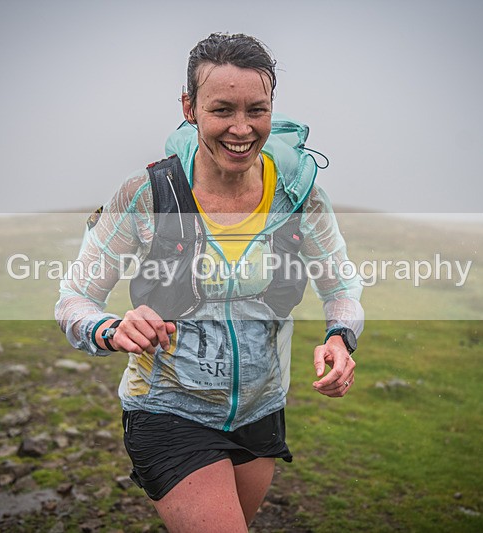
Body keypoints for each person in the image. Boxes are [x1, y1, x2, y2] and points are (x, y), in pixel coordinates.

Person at [55, 32, 364, 532]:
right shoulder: (147, 194)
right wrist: (110, 329)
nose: (241, 128)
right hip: (167, 411)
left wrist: (340, 338)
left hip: (261, 412)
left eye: (257, 110)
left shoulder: (298, 196)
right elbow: (75, 297)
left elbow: (341, 288)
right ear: (189, 108)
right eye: (222, 110)